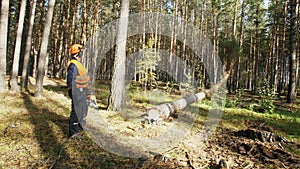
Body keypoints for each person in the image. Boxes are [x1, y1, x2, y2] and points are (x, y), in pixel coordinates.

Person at [66, 44, 90, 138]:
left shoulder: (79, 64)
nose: (82, 55)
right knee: (76, 111)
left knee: (84, 108)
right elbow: (70, 80)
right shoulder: (73, 65)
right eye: (81, 53)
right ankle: (73, 132)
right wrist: (76, 92)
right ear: (77, 53)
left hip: (82, 90)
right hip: (77, 91)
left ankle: (81, 125)